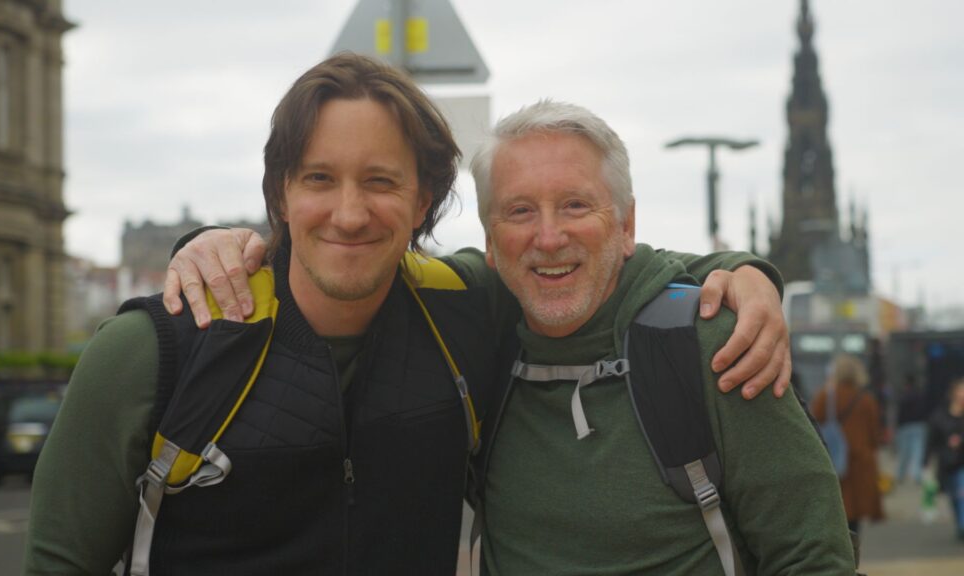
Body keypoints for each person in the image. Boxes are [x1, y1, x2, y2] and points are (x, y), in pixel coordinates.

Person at [26, 54, 790, 575]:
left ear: (423, 200)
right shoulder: (150, 351)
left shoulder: (465, 308)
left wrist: (744, 275)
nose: (350, 213)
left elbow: (586, 263)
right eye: (319, 178)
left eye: (382, 182)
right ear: (280, 196)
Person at [171, 98, 853, 574]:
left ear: (626, 223)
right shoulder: (477, 324)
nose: (548, 237)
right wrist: (217, 246)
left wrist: (747, 273)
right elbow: (349, 261)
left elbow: (811, 556)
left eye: (576, 206)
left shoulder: (715, 341)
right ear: (490, 245)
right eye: (520, 212)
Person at [812, 354, 885, 535]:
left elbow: (812, 424)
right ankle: (853, 550)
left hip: (834, 461)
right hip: (861, 462)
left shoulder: (825, 396)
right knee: (855, 516)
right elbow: (875, 435)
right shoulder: (867, 399)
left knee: (838, 509)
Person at [928, 377, 964, 541]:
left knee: (962, 493)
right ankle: (960, 524)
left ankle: (963, 526)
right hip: (948, 463)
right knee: (954, 497)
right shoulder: (940, 415)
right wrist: (926, 462)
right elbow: (932, 439)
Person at [895, 374, 930, 485]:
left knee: (904, 453)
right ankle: (916, 475)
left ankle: (900, 475)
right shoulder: (920, 395)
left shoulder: (903, 396)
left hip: (905, 426)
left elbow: (900, 414)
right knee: (917, 452)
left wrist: (897, 426)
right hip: (919, 425)